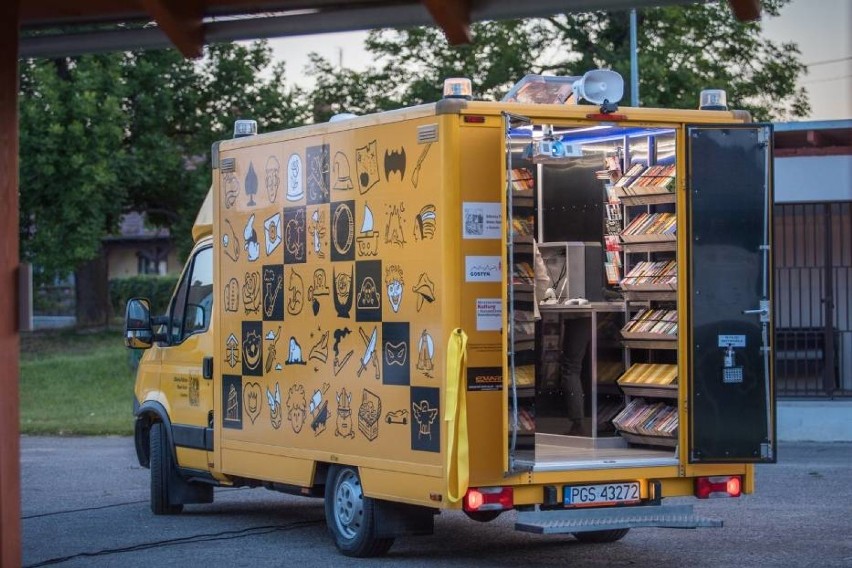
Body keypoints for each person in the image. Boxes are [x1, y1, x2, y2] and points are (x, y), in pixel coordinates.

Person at [532, 240, 590, 436]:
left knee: (570, 367)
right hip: (579, 315)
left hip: (571, 314)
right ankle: (578, 421)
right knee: (572, 366)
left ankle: (577, 421)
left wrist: (539, 298)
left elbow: (542, 280)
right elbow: (542, 279)